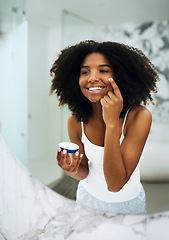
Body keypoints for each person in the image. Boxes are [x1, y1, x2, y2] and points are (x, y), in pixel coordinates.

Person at [50, 40, 159, 214]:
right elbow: (84, 172)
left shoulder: (139, 116)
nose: (92, 77)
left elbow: (115, 184)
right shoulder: (75, 121)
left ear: (120, 76)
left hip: (127, 205)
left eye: (103, 70)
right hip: (87, 198)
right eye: (85, 72)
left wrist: (112, 122)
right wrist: (71, 170)